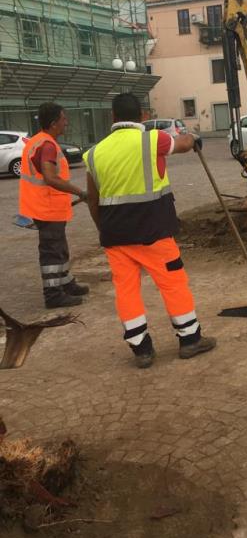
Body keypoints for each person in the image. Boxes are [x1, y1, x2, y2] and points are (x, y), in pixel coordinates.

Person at [83, 92, 216, 368]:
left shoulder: (94, 153)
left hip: (115, 236)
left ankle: (141, 349)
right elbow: (182, 143)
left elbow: (93, 201)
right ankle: (190, 339)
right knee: (173, 283)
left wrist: (104, 231)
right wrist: (193, 138)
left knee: (126, 290)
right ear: (143, 116)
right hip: (154, 232)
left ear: (113, 117)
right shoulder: (153, 139)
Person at [19, 102, 89, 309]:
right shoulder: (47, 145)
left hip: (46, 207)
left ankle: (66, 283)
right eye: (63, 119)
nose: (66, 122)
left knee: (59, 248)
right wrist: (80, 192)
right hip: (47, 208)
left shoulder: (39, 141)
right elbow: (50, 178)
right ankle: (53, 295)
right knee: (52, 252)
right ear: (53, 123)